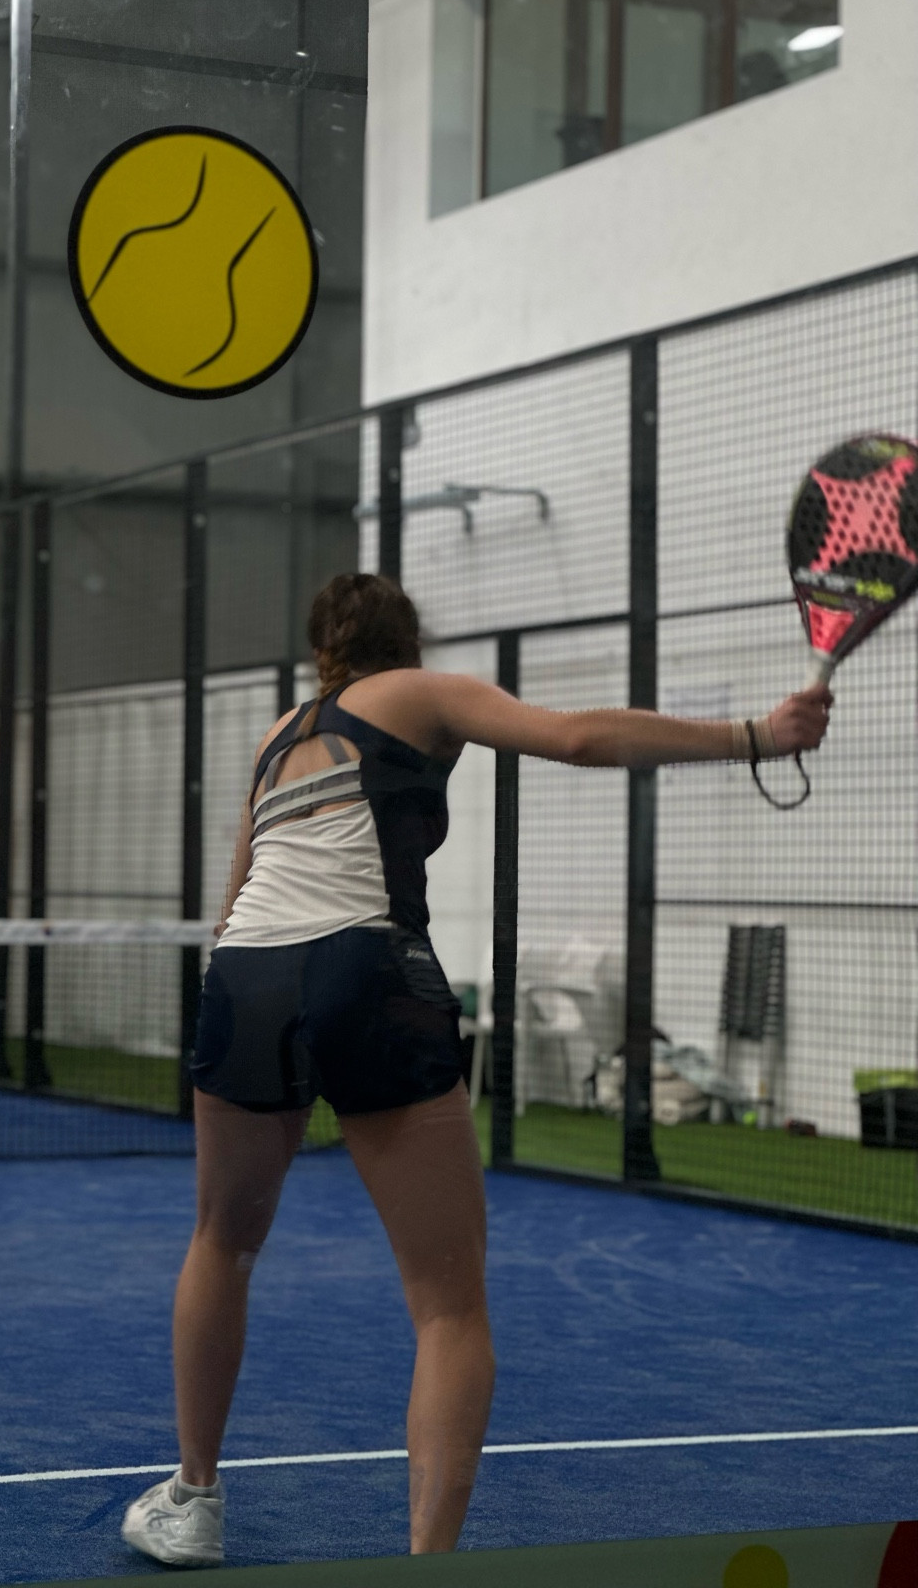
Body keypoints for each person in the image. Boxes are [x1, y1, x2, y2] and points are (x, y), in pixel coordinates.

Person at [122, 572, 832, 1565]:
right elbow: (577, 738)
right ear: (407, 641)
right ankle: (430, 1564)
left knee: (222, 1242)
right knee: (449, 1303)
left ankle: (193, 1500)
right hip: (366, 969)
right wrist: (757, 734)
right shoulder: (422, 692)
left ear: (321, 650)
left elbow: (236, 895)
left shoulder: (278, 734)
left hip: (246, 980)